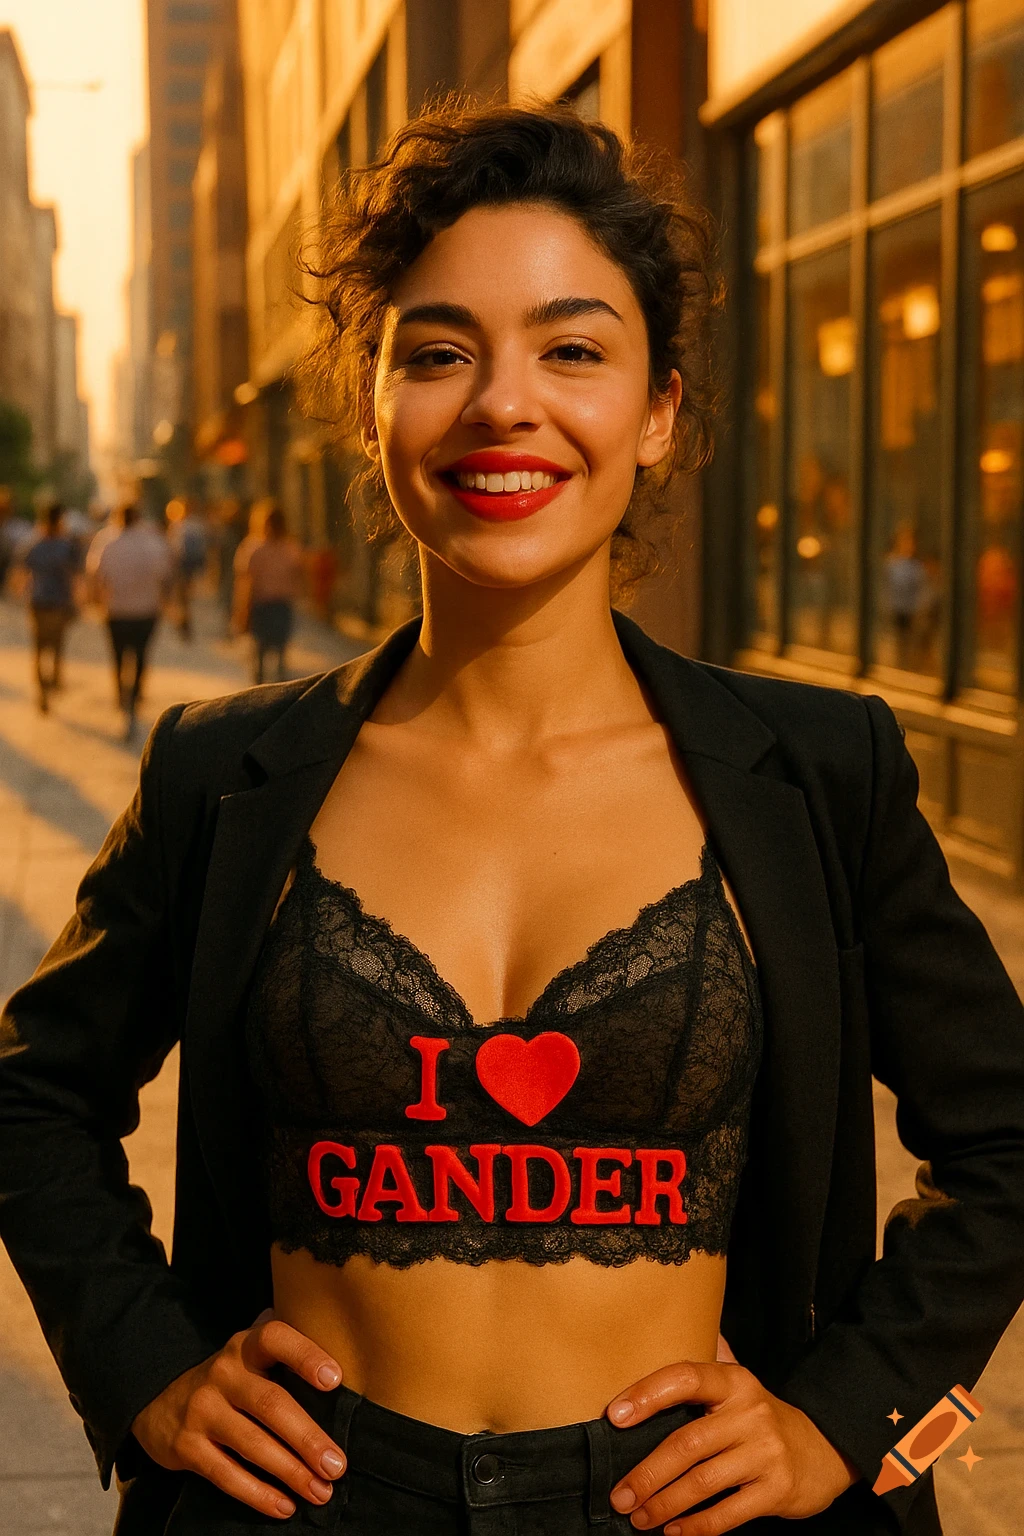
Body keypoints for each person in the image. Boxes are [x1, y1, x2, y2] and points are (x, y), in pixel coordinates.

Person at [1, 101, 1023, 1536]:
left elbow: (1006, 1131)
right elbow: (31, 1093)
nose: (501, 405)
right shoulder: (223, 777)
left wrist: (851, 1420)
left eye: (572, 348)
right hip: (305, 1501)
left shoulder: (815, 773)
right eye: (437, 352)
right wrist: (146, 1369)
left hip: (690, 1512)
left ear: (659, 408)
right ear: (371, 398)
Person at [86, 502, 172, 740]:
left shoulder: (106, 542)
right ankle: (134, 699)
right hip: (146, 611)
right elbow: (165, 576)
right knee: (141, 656)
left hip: (116, 611)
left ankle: (122, 697)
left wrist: (95, 602)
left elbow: (95, 575)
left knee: (118, 656)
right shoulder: (153, 543)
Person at [232, 500, 306, 683]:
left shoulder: (255, 548)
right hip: (267, 606)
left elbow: (245, 583)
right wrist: (243, 610)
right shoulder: (287, 548)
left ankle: (266, 690)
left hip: (275, 605)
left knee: (269, 653)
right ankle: (267, 688)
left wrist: (241, 610)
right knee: (265, 652)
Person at [21, 502, 80, 713]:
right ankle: (54, 681)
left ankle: (42, 690)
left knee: (39, 648)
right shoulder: (66, 546)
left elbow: (23, 570)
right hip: (59, 603)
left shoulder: (34, 544)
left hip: (37, 602)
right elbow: (76, 576)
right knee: (56, 646)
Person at [166, 497, 208, 641]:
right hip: (192, 566)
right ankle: (184, 620)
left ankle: (183, 621)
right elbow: (203, 548)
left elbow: (172, 549)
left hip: (180, 566)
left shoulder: (178, 526)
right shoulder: (198, 525)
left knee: (180, 597)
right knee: (185, 596)